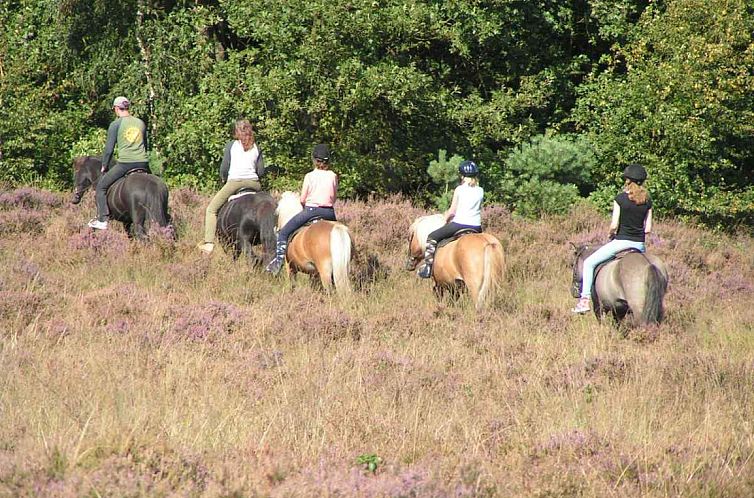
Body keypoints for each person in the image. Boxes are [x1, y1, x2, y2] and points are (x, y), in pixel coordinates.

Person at [572, 163, 653, 314]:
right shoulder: (647, 201)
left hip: (621, 242)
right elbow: (648, 229)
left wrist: (611, 233)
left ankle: (584, 301)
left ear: (628, 181)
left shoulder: (620, 199)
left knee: (589, 263)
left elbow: (614, 225)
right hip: (640, 246)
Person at [265, 144, 338, 275]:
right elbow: (334, 198)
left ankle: (278, 263)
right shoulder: (333, 176)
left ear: (314, 160)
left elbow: (303, 199)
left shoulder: (309, 176)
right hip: (329, 213)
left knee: (283, 233)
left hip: (311, 211)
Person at [197, 119, 265, 254]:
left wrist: (223, 178)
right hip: (254, 183)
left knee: (211, 210)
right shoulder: (257, 147)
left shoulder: (231, 145)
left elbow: (224, 168)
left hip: (235, 182)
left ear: (236, 132)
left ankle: (209, 243)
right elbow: (261, 171)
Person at [87, 96, 149, 230]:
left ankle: (102, 219)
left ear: (116, 108)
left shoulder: (116, 124)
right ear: (128, 107)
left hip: (126, 164)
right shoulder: (140, 123)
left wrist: (104, 165)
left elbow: (109, 150)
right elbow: (146, 145)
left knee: (101, 188)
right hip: (143, 162)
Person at [417, 160, 483, 279]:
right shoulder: (480, 190)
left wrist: (445, 220)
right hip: (477, 227)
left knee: (432, 237)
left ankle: (427, 267)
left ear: (462, 175)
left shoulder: (459, 189)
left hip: (459, 224)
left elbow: (452, 210)